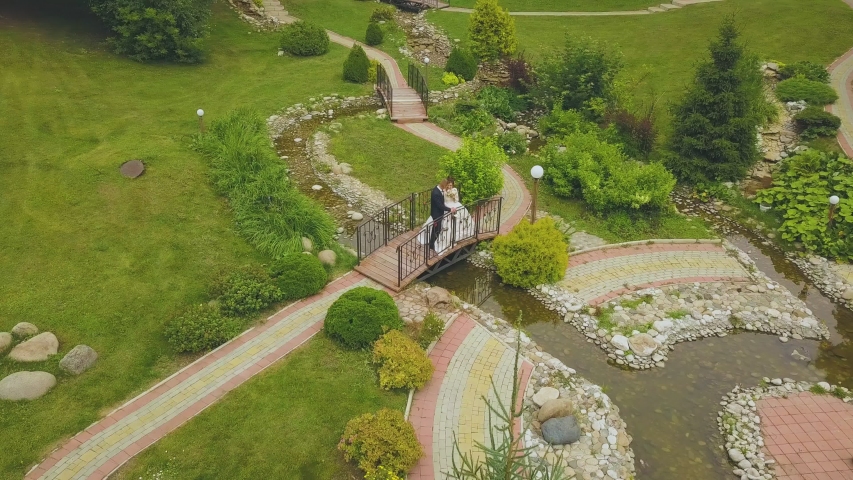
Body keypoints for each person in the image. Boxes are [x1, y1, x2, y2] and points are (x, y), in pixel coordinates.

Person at [429, 177, 456, 257]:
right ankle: (432, 245)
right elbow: (440, 205)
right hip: (436, 214)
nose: (446, 188)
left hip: (439, 213)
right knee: (436, 229)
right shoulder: (436, 193)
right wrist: (449, 209)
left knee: (438, 229)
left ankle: (433, 243)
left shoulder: (439, 190)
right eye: (446, 186)